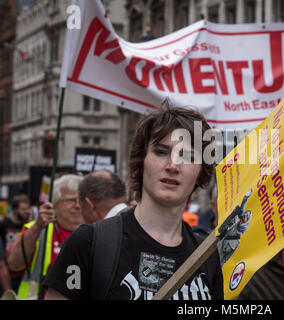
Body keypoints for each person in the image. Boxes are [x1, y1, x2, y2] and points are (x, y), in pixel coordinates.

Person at [43, 106, 223, 300]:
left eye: (187, 157)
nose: (172, 166)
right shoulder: (88, 243)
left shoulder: (208, 255)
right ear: (141, 160)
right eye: (161, 152)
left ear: (200, 173)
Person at [6, 174, 84, 299]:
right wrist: (37, 227)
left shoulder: (96, 231)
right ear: (55, 204)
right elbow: (14, 264)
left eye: (81, 200)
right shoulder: (38, 228)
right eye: (70, 200)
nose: (77, 206)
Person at [0, 194, 32, 292]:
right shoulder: (4, 224)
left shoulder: (28, 225)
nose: (26, 211)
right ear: (14, 209)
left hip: (23, 272)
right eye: (23, 209)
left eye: (28, 208)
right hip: (7, 271)